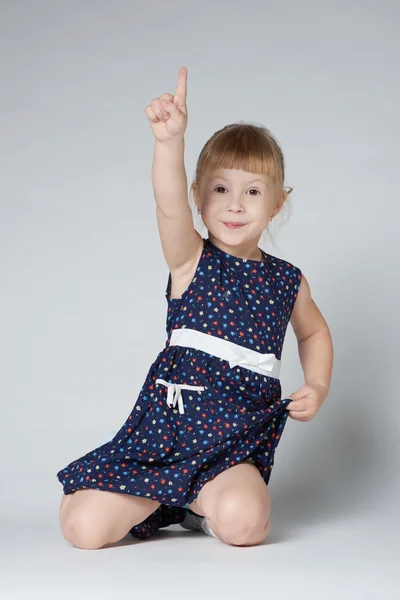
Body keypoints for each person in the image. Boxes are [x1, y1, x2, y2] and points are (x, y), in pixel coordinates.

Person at [57, 66, 333, 549]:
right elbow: (167, 208)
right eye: (221, 189)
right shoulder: (192, 260)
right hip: (164, 437)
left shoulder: (287, 280)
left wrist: (318, 383)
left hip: (231, 446)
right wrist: (169, 143)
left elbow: (313, 333)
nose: (235, 205)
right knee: (83, 530)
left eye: (253, 192)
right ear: (198, 196)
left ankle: (195, 507)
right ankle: (151, 496)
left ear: (276, 204)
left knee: (244, 525)